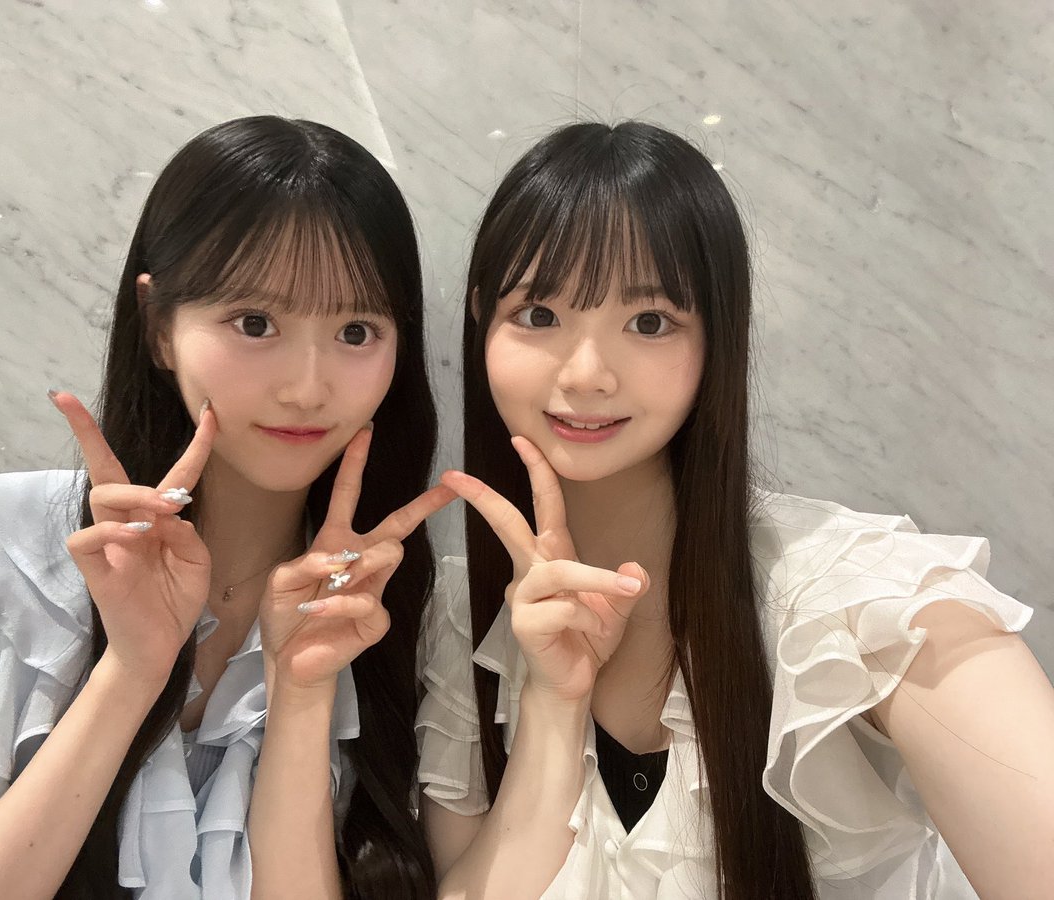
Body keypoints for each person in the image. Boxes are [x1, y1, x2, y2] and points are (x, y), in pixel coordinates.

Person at [417, 120, 1054, 898]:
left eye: (649, 322)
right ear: (481, 317)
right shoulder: (470, 615)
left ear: (717, 336)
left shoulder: (853, 600)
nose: (586, 374)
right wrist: (553, 702)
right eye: (540, 315)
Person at [0, 115, 452, 899]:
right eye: (255, 323)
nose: (308, 387)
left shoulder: (392, 608)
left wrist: (303, 699)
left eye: (356, 330)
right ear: (159, 325)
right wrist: (131, 670)